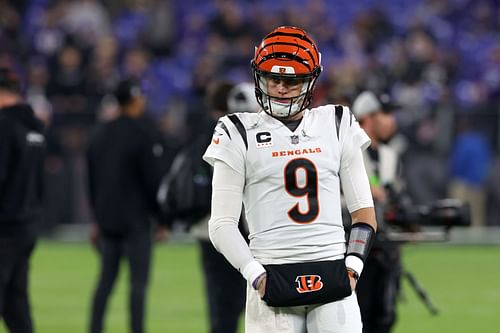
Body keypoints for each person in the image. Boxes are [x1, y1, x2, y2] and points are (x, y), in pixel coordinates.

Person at [203, 26, 377, 333]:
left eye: (292, 81)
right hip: (272, 273)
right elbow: (221, 224)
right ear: (260, 77)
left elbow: (363, 212)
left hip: (332, 270)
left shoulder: (336, 122)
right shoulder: (236, 131)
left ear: (310, 82)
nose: (281, 88)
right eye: (274, 78)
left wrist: (352, 267)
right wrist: (256, 274)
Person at [86, 77, 169, 333]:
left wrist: (96, 218)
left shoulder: (99, 133)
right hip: (136, 221)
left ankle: (95, 329)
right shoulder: (144, 133)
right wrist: (162, 219)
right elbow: (153, 182)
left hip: (108, 220)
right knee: (137, 285)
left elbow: (92, 180)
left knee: (105, 283)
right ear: (134, 101)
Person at [189, 81, 259, 333]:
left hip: (210, 227)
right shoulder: (246, 135)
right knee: (245, 302)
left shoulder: (207, 132)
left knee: (222, 305)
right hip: (239, 228)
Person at [0, 67, 46, 333]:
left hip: (4, 227)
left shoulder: (5, 126)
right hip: (26, 227)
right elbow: (40, 183)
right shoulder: (35, 129)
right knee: (16, 304)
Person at [351, 91, 401, 333]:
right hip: (352, 246)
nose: (392, 120)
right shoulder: (347, 151)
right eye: (386, 114)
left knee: (384, 315)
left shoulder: (391, 156)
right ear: (368, 118)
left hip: (386, 248)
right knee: (356, 314)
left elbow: (395, 196)